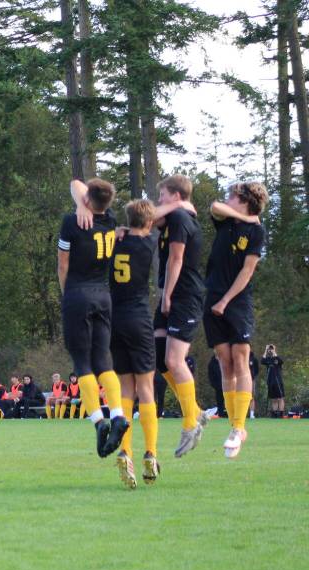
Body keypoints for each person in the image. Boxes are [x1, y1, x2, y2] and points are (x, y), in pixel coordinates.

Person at [59, 178, 129, 456]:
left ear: (88, 199)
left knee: (82, 363)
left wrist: (66, 294)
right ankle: (118, 415)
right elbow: (78, 185)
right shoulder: (110, 219)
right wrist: (82, 202)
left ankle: (99, 421)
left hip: (78, 294)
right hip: (103, 296)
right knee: (103, 361)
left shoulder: (72, 222)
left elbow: (63, 264)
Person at [205, 183, 268, 457]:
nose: (227, 199)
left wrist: (225, 301)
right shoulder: (227, 221)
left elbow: (247, 271)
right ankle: (235, 425)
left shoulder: (257, 231)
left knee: (240, 359)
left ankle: (239, 426)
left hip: (237, 300)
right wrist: (243, 216)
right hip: (212, 294)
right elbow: (214, 207)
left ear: (245, 200)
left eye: (233, 196)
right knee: (224, 361)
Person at [152, 175, 212, 456]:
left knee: (174, 360)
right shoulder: (173, 215)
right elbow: (149, 218)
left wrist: (167, 295)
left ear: (176, 195)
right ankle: (196, 410)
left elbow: (176, 259)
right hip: (171, 294)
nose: (159, 200)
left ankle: (190, 423)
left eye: (162, 195)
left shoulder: (179, 219)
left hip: (184, 296)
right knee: (159, 357)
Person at [109, 199, 160, 487]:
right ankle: (150, 452)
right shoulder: (147, 242)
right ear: (149, 222)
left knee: (125, 389)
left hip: (114, 318)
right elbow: (151, 223)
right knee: (146, 388)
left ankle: (125, 450)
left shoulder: (114, 242)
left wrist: (121, 229)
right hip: (138, 319)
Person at [262, 344, 285, 417]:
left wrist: (274, 351)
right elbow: (262, 361)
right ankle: (274, 414)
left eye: (271, 349)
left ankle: (281, 414)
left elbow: (281, 361)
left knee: (280, 398)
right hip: (270, 381)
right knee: (273, 399)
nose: (270, 350)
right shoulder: (268, 359)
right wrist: (266, 350)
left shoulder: (277, 358)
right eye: (270, 349)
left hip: (278, 381)